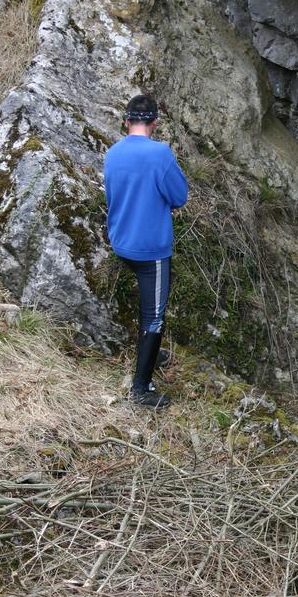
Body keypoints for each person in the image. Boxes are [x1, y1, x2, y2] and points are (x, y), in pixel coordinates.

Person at [103, 95, 188, 409]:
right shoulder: (159, 154)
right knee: (154, 317)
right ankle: (141, 388)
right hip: (151, 250)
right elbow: (179, 196)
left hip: (121, 241)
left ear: (127, 121)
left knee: (150, 309)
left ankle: (150, 354)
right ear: (155, 122)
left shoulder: (113, 153)